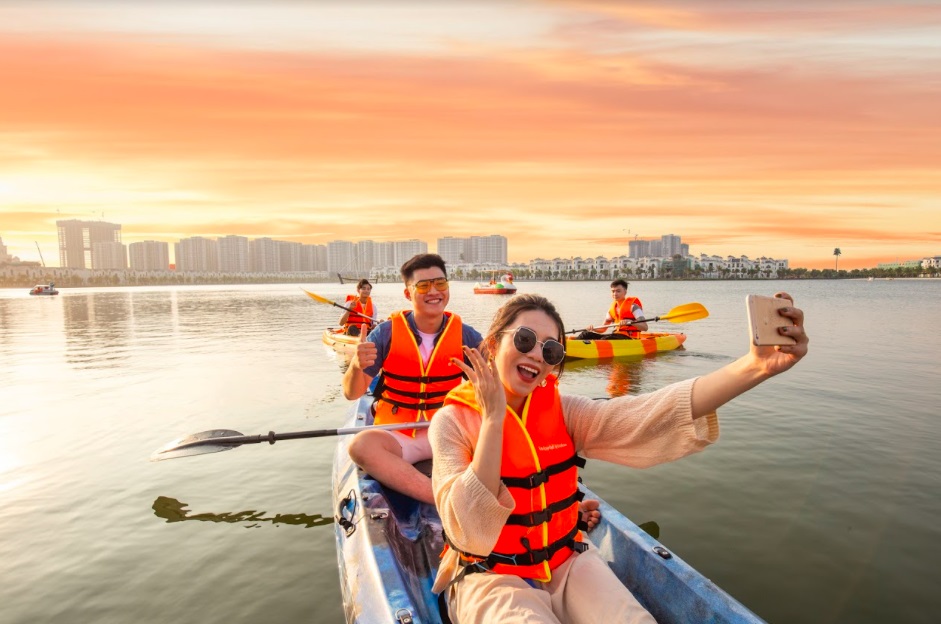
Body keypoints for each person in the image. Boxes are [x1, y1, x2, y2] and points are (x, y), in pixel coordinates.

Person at [429, 292, 808, 623]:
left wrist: (755, 367)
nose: (536, 355)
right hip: (489, 575)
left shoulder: (564, 411)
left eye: (551, 350)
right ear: (493, 344)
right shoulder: (451, 422)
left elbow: (646, 415)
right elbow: (472, 533)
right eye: (525, 339)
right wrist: (494, 418)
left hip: (566, 561)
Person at [342, 254, 484, 504]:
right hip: (399, 434)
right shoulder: (385, 333)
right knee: (360, 447)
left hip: (447, 432)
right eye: (423, 285)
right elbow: (352, 393)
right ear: (408, 293)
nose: (433, 292)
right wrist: (355, 365)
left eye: (440, 284)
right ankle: (444, 500)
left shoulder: (466, 335)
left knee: (501, 431)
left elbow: (496, 380)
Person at [576, 279, 647, 340]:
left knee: (606, 339)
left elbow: (645, 327)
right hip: (616, 335)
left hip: (629, 338)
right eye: (613, 291)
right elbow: (603, 329)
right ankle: (570, 348)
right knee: (585, 334)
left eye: (618, 291)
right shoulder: (611, 310)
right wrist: (593, 328)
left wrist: (630, 321)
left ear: (625, 292)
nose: (615, 294)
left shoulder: (633, 307)